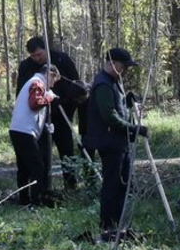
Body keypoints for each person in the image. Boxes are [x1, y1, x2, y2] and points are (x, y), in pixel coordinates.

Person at [15, 37, 84, 191]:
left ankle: (71, 185)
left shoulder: (62, 59)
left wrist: (67, 105)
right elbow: (22, 92)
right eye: (33, 56)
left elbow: (75, 86)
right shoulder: (26, 66)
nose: (37, 59)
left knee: (66, 151)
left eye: (40, 54)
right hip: (39, 118)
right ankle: (42, 188)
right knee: (41, 155)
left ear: (46, 49)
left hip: (63, 113)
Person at [84, 47, 139, 239]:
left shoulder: (114, 82)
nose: (125, 70)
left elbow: (118, 106)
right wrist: (133, 129)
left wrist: (127, 101)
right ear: (112, 64)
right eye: (123, 66)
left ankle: (118, 222)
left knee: (123, 184)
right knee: (112, 184)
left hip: (119, 142)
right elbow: (109, 116)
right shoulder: (103, 85)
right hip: (109, 142)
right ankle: (107, 224)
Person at [10, 62, 59, 207]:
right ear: (50, 74)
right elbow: (34, 103)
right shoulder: (37, 83)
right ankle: (36, 201)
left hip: (18, 129)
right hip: (24, 131)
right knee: (37, 167)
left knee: (24, 167)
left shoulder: (34, 82)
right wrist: (49, 97)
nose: (53, 84)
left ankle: (24, 200)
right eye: (54, 80)